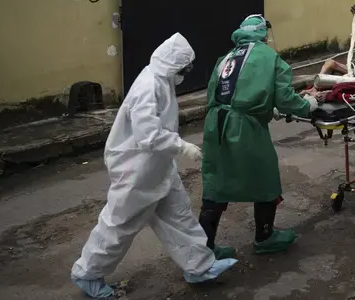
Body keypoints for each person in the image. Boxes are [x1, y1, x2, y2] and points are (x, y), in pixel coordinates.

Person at [70, 33, 237, 299]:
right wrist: (182, 146)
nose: (186, 73)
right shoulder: (149, 85)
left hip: (158, 166)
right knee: (118, 225)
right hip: (136, 170)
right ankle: (87, 273)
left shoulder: (162, 79)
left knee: (180, 216)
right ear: (174, 65)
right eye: (184, 68)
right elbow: (147, 135)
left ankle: (199, 266)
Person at [199, 15, 318, 259]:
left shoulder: (225, 59)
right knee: (265, 176)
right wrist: (309, 105)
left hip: (215, 124)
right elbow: (286, 99)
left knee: (216, 182)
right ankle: (265, 237)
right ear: (264, 34)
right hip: (245, 127)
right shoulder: (270, 57)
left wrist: (264, 107)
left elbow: (220, 95)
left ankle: (203, 249)